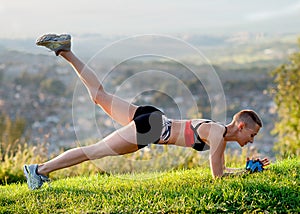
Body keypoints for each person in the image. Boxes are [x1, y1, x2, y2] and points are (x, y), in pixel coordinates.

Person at [23, 34, 270, 190]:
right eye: (252, 134)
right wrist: (246, 173)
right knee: (94, 151)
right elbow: (218, 177)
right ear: (241, 126)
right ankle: (39, 170)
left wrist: (247, 170)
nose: (252, 140)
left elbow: (223, 170)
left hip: (153, 117)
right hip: (151, 128)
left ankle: (65, 51)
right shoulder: (217, 135)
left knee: (99, 96)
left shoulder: (218, 134)